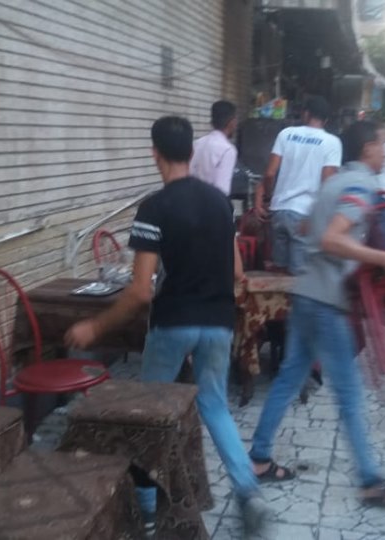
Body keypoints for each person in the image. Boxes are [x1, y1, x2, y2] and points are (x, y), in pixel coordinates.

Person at [65, 116, 268, 535]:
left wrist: (96, 328)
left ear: (154, 153)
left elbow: (141, 291)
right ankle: (249, 492)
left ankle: (145, 507)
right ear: (191, 153)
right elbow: (236, 270)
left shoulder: (154, 208)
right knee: (214, 405)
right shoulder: (220, 203)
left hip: (174, 320)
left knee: (146, 414)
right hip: (218, 321)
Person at [248, 120, 385, 506]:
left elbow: (309, 226)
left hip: (307, 292)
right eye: (381, 144)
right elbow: (330, 238)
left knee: (289, 378)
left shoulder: (334, 183)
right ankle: (370, 480)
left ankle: (259, 457)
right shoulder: (360, 185)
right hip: (326, 301)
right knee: (348, 392)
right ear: (367, 148)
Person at [255, 96, 342, 275]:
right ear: (326, 120)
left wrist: (269, 197)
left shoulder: (286, 134)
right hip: (305, 216)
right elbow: (327, 183)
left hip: (279, 213)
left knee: (278, 272)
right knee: (298, 277)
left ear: (305, 114)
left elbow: (270, 174)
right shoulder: (332, 142)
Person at [191, 100, 239, 196]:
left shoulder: (197, 144)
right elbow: (222, 191)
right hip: (212, 203)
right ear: (231, 122)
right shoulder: (228, 150)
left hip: (192, 200)